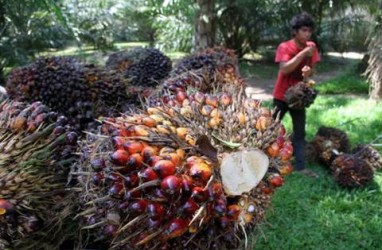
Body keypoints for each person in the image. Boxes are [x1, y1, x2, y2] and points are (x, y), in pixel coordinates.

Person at [272, 12, 320, 177]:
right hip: (281, 95)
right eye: (304, 30)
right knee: (271, 129)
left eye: (309, 31)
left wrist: (308, 73)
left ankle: (300, 167)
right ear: (295, 32)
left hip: (299, 98)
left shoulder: (311, 47)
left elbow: (313, 71)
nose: (307, 34)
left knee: (299, 132)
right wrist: (302, 54)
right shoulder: (285, 47)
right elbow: (284, 69)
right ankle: (265, 161)